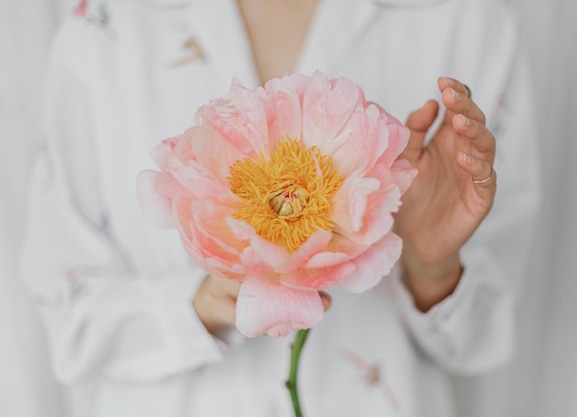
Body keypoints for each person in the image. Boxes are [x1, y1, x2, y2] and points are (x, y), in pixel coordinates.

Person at [20, 0, 540, 416]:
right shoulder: (106, 26)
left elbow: (483, 343)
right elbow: (67, 317)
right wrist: (207, 301)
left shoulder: (466, 20)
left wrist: (433, 266)